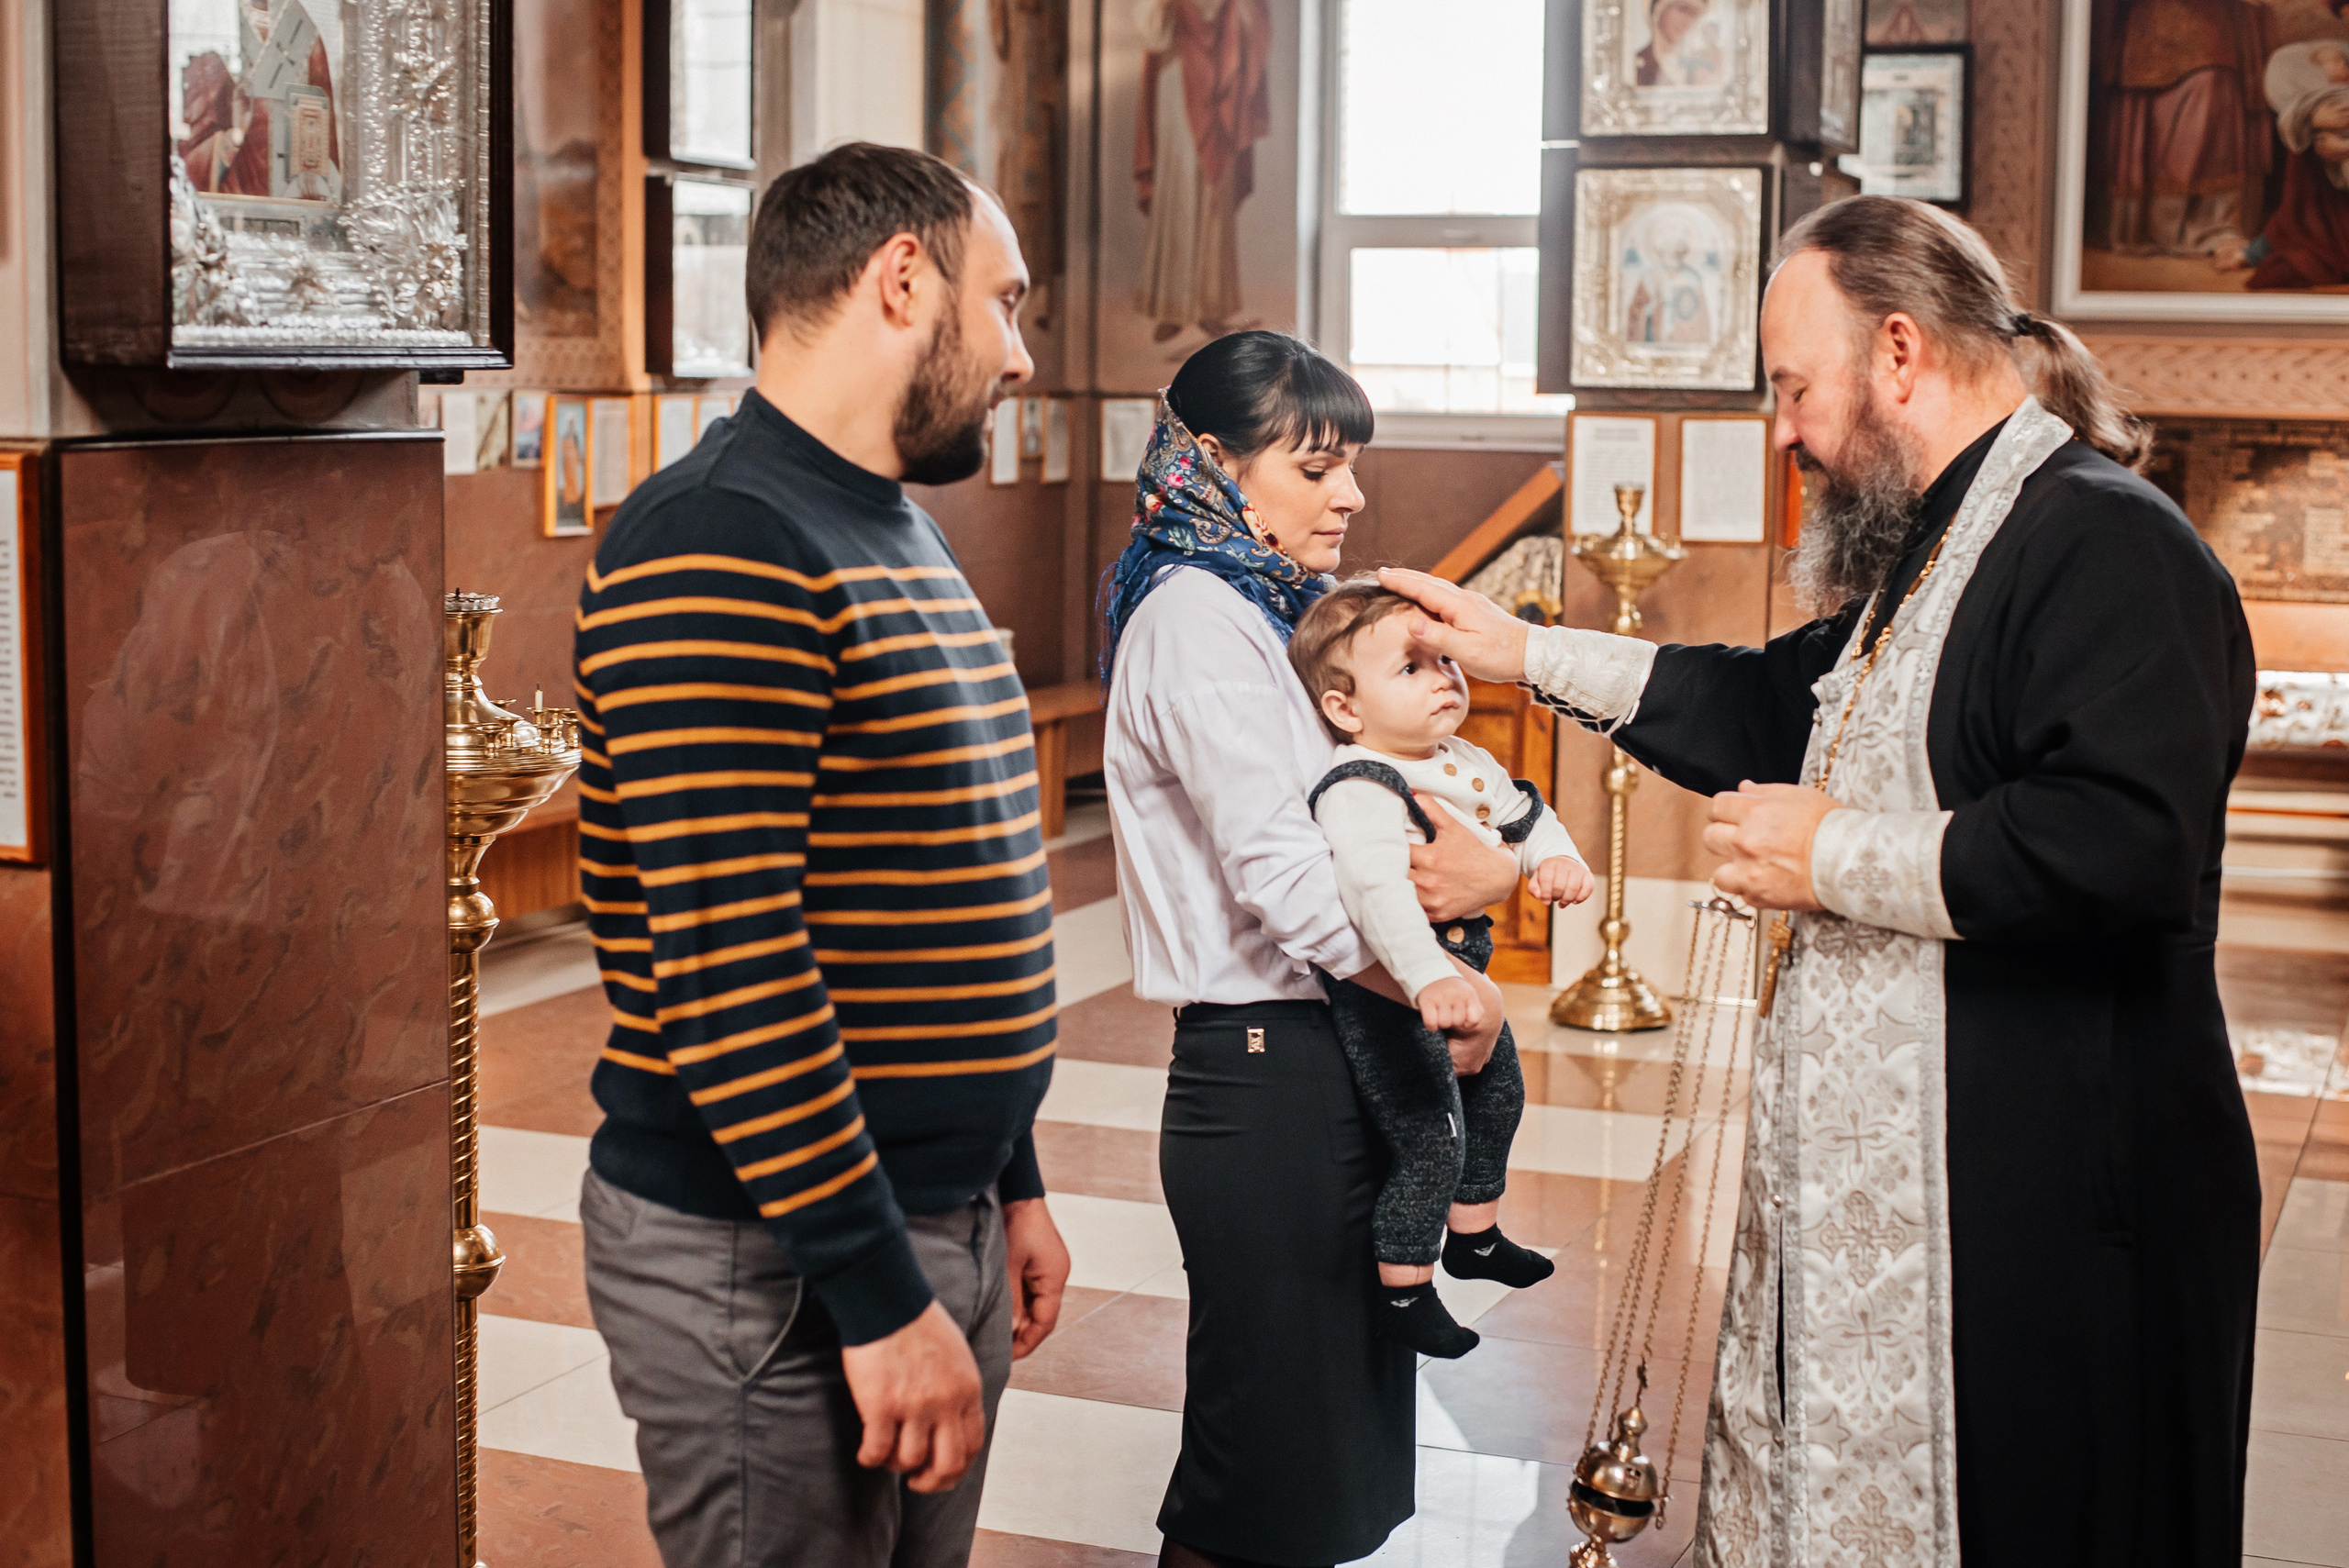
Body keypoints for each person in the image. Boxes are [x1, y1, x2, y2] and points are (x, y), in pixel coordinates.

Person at [1384, 195, 2259, 1568]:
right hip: (1911, 1201)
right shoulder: (1935, 553)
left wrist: (1831, 855)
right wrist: (1527, 653)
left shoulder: (2105, 542)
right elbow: (1763, 704)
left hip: (2047, 1214)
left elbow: (2128, 840)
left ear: (1900, 352)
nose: (1784, 430)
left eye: (1795, 386)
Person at [572, 143, 1072, 1568]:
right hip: (772, 1255)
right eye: (1009, 303)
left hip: (928, 1217)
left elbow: (934, 882)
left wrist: (1009, 1177)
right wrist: (876, 1295)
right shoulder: (719, 537)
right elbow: (732, 973)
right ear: (902, 278)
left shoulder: (886, 525)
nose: (1022, 355)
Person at [1099, 330, 1520, 1568]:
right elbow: (1288, 880)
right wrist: (1444, 985)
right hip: (1266, 1073)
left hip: (1327, 1052)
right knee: (1263, 1470)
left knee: (1321, 1456)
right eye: (1317, 467)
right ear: (1216, 465)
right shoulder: (1193, 619)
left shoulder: (1270, 611)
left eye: (1354, 466)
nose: (1352, 493)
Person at [1286, 579, 1590, 1360]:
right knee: (1429, 1135)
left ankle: (1476, 1237)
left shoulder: (1463, 758)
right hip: (1394, 991)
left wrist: (1554, 860)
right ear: (1346, 709)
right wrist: (1430, 979)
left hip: (1460, 975)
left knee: (1500, 1095)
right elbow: (1377, 896)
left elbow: (1527, 816)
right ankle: (1406, 1288)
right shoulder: (1362, 781)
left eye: (1446, 663)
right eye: (1412, 669)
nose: (1444, 680)